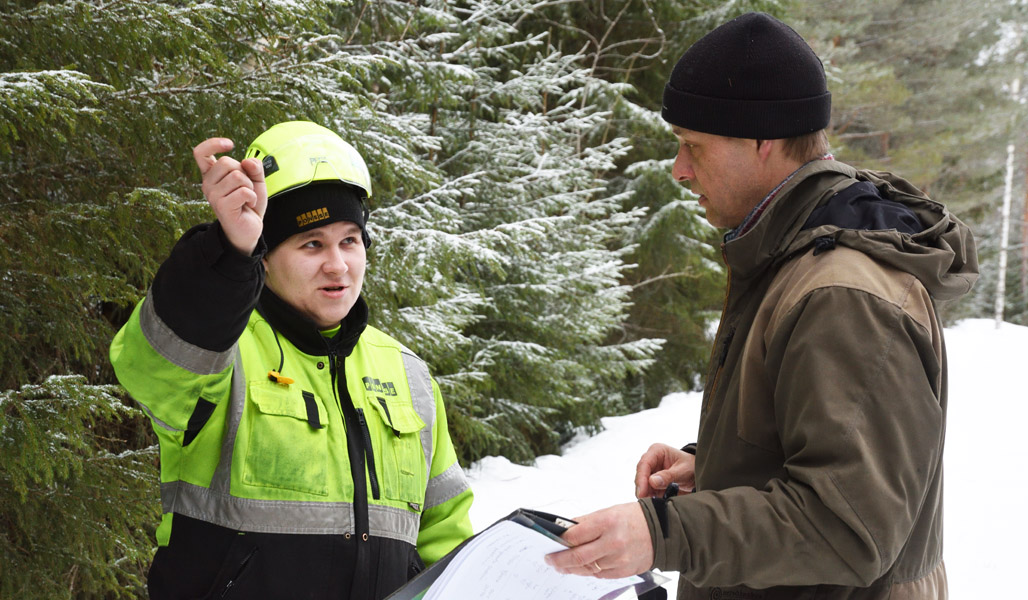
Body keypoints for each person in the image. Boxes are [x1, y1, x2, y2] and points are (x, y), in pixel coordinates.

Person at [545, 12, 977, 600]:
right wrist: (720, 467)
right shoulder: (789, 255)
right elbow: (822, 450)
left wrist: (665, 534)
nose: (679, 170)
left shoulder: (842, 294)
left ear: (762, 140)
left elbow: (847, 526)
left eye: (693, 147)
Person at [109, 121, 474, 599]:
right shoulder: (222, 351)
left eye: (349, 240)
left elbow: (445, 536)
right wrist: (227, 251)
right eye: (311, 244)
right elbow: (150, 364)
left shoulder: (406, 372)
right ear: (264, 257)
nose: (338, 265)